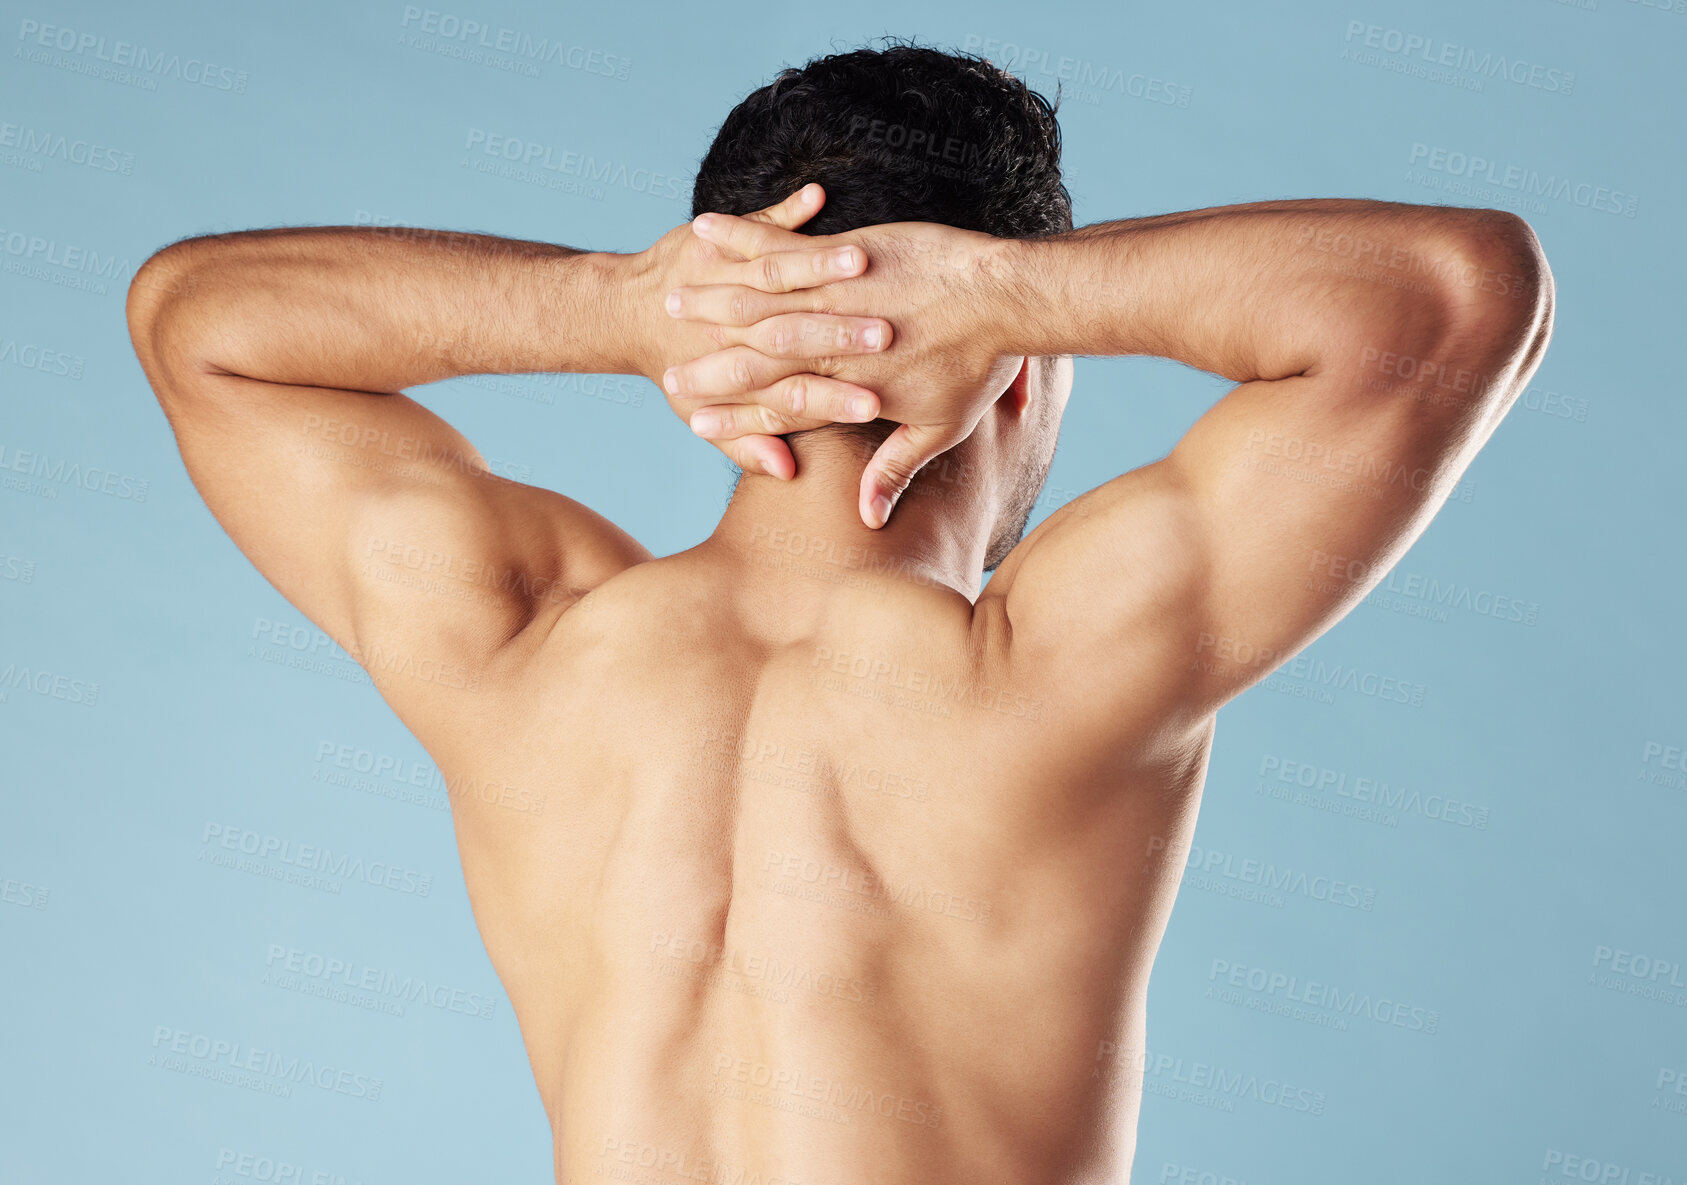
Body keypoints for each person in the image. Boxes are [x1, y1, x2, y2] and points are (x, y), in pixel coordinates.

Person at [126, 42, 1552, 1185]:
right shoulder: (1058, 667)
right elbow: (1454, 294)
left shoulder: (522, 643)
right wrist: (1010, 292)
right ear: (1020, 377)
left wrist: (613, 310)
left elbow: (195, 324)